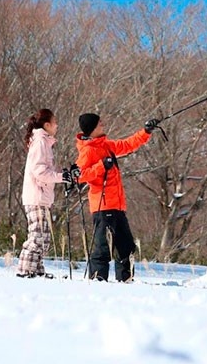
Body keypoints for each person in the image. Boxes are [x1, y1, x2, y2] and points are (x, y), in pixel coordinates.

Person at [75, 112, 160, 282]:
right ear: (91, 129)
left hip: (117, 206)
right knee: (102, 248)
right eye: (100, 124)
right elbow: (79, 175)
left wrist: (146, 131)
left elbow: (127, 144)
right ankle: (98, 280)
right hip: (102, 206)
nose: (103, 124)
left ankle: (126, 281)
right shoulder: (88, 151)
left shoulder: (105, 145)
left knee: (127, 246)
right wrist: (101, 166)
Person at [17, 109, 76, 278]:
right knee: (38, 236)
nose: (57, 125)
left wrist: (60, 175)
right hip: (37, 195)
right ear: (47, 125)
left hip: (40, 196)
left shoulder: (43, 141)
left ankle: (36, 270)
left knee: (43, 236)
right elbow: (39, 171)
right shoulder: (41, 142)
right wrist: (61, 177)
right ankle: (25, 270)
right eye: (55, 122)